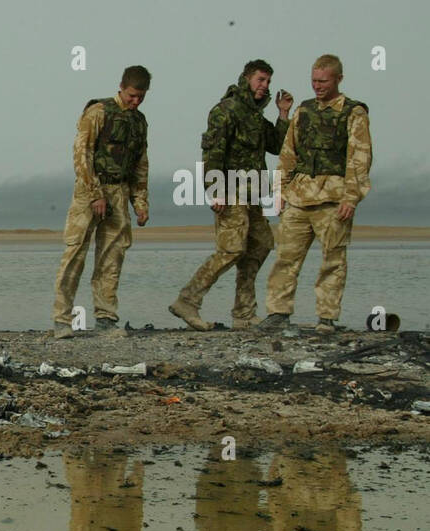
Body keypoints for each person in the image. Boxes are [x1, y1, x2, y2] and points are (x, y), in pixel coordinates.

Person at [169, 60, 292, 331]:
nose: (265, 86)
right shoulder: (226, 110)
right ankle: (187, 301)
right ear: (246, 78)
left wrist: (283, 115)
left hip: (253, 194)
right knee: (231, 249)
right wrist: (215, 191)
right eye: (260, 80)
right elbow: (213, 152)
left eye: (268, 81)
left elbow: (275, 145)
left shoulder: (255, 114)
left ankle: (244, 313)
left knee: (261, 244)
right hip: (230, 191)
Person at [259, 54, 372, 334]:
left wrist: (351, 197)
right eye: (314, 81)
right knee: (285, 257)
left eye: (323, 81)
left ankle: (326, 318)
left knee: (333, 261)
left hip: (333, 200)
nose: (317, 86)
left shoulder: (353, 112)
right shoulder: (303, 111)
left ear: (338, 79)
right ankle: (277, 313)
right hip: (298, 197)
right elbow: (288, 153)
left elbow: (359, 157)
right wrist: (279, 192)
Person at [51, 66, 151, 339]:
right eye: (132, 95)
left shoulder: (139, 122)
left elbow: (140, 164)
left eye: (141, 97)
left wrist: (140, 202)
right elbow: (81, 154)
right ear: (121, 87)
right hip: (90, 190)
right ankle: (62, 319)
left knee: (112, 257)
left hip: (119, 191)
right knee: (75, 253)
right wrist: (95, 193)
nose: (135, 101)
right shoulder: (98, 112)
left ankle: (106, 318)